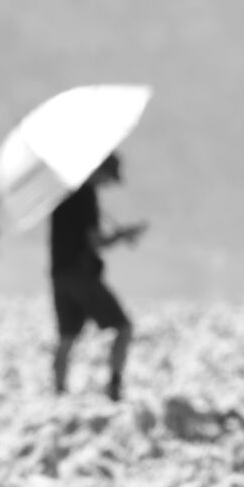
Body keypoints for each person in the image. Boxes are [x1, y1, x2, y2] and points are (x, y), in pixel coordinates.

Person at [48, 152, 145, 400]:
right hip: (81, 275)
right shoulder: (85, 195)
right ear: (99, 171)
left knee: (67, 336)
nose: (108, 184)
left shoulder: (60, 193)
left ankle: (58, 391)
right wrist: (122, 236)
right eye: (108, 178)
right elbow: (95, 242)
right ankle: (114, 386)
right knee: (123, 328)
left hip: (59, 275)